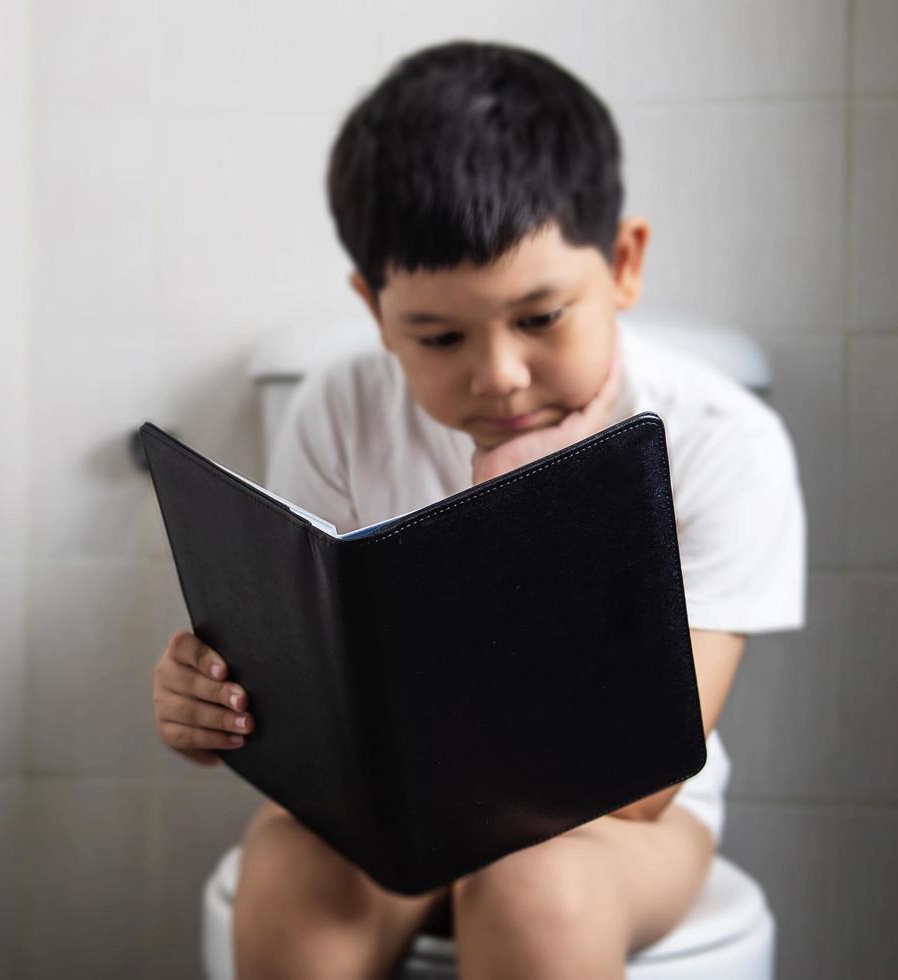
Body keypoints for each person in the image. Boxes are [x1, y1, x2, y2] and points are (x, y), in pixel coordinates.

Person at [149, 40, 807, 979]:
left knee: (533, 888)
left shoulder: (717, 439)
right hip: (395, 812)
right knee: (288, 870)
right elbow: (303, 695)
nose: (497, 376)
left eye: (541, 319)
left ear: (623, 263)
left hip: (608, 835)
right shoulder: (337, 408)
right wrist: (214, 709)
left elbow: (646, 785)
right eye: (439, 335)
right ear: (376, 313)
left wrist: (532, 506)